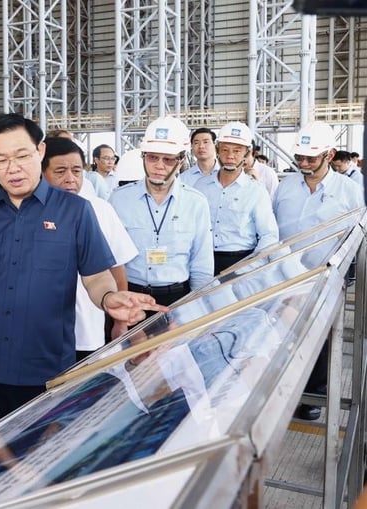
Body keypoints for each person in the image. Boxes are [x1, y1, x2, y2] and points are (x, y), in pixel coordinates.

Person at [0, 113, 165, 435]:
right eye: (1, 159)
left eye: (22, 155)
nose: (13, 167)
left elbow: (95, 276)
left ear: (40, 151)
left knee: (43, 462)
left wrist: (109, 297)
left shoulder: (76, 211)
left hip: (47, 369)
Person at [273, 121, 364, 421]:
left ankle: (315, 394)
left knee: (322, 339)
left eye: (311, 158)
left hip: (326, 277)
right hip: (285, 278)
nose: (304, 163)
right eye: (299, 158)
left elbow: (357, 235)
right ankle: (281, 392)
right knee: (282, 335)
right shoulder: (284, 187)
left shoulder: (349, 191)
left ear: (330, 154)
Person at [40, 137, 139, 359]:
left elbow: (117, 270)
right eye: (60, 171)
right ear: (42, 172)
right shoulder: (29, 212)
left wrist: (120, 322)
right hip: (39, 336)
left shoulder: (100, 210)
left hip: (88, 332)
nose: (70, 179)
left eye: (76, 171)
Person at [109, 116, 214, 305]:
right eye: (152, 157)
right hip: (130, 297)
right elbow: (112, 260)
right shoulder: (119, 200)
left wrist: (196, 306)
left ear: (181, 160)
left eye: (168, 159)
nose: (159, 165)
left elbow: (201, 264)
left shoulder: (196, 202)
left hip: (178, 298)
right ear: (143, 157)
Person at [191, 122, 279, 274]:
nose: (230, 156)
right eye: (225, 150)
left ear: (247, 153)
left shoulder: (256, 191)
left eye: (237, 151)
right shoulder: (200, 186)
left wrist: (248, 267)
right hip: (203, 261)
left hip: (241, 261)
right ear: (217, 149)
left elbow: (269, 235)